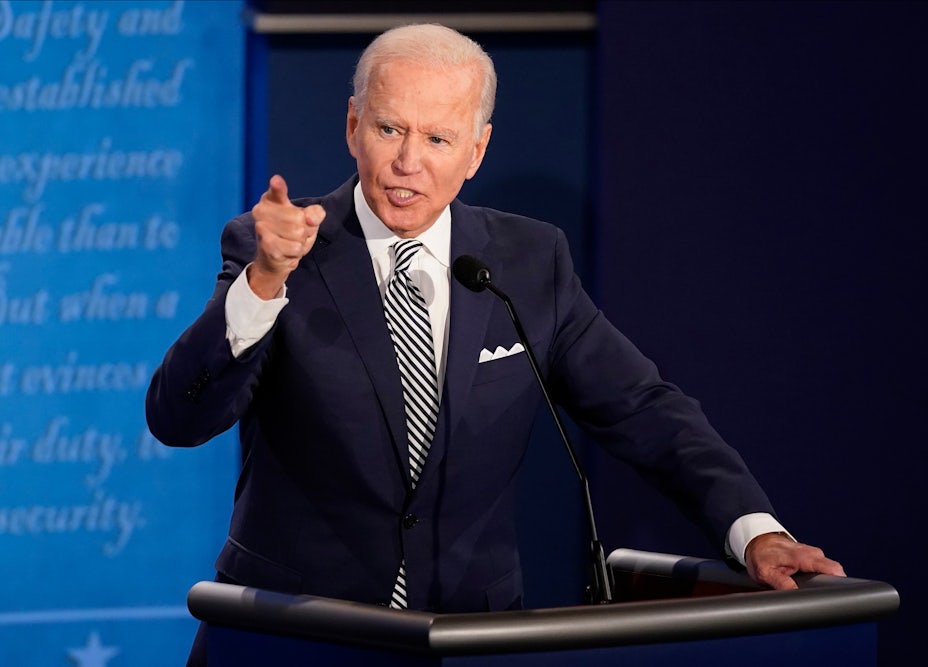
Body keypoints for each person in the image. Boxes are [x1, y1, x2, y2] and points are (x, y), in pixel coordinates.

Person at [145, 22, 844, 664]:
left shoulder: (529, 261)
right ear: (354, 124)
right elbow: (178, 417)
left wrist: (754, 530)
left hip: (469, 638)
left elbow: (643, 408)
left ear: (477, 150)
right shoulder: (280, 247)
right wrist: (266, 280)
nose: (407, 162)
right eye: (389, 128)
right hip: (294, 637)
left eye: (439, 139)